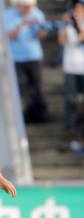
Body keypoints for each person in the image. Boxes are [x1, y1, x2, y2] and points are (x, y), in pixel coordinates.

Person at [3, 0, 49, 123]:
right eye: (25, 7)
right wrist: (21, 25)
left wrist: (38, 29)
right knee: (20, 88)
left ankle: (39, 115)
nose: (28, 10)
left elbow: (42, 34)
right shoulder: (7, 15)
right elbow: (7, 36)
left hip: (34, 56)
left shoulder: (37, 14)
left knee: (37, 87)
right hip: (16, 58)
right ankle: (22, 115)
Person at [58, 0, 84, 153]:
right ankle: (71, 130)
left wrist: (78, 23)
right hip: (71, 67)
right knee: (70, 100)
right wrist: (65, 24)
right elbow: (61, 41)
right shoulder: (67, 23)